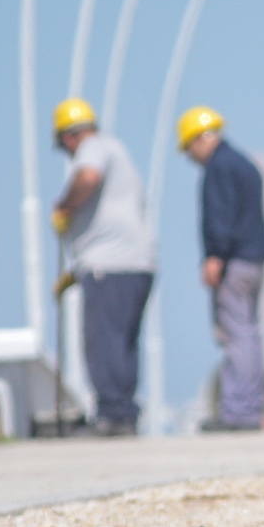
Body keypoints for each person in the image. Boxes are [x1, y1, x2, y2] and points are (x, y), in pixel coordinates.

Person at [50, 97, 157, 436]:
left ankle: (111, 414)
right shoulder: (118, 151)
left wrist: (63, 207)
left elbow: (88, 178)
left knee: (103, 342)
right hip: (136, 263)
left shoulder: (93, 147)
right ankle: (123, 413)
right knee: (122, 343)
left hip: (109, 266)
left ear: (69, 137)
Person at [177, 105, 264, 431]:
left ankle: (239, 413)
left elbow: (221, 215)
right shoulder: (245, 164)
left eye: (188, 148)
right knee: (249, 334)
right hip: (254, 261)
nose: (190, 157)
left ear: (199, 139)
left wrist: (215, 256)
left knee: (236, 336)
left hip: (234, 261)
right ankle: (251, 407)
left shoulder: (218, 168)